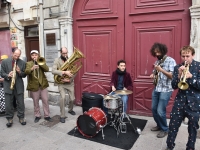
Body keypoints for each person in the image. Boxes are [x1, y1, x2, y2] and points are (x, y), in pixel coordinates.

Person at [166, 46, 200, 150]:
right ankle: (169, 146)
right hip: (179, 101)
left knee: (193, 128)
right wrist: (179, 75)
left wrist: (191, 77)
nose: (185, 59)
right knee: (172, 126)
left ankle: (190, 147)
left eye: (188, 56)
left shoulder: (199, 66)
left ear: (193, 55)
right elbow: (174, 86)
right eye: (183, 56)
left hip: (194, 103)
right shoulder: (177, 67)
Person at [149, 43, 176, 138]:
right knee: (153, 109)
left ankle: (165, 129)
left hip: (166, 89)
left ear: (163, 50)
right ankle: (159, 125)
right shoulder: (157, 62)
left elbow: (173, 76)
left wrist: (161, 70)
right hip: (157, 88)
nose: (157, 54)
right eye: (155, 52)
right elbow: (155, 73)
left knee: (160, 111)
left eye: (158, 52)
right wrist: (153, 75)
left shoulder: (170, 61)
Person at [0, 48, 27, 127]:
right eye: (15, 55)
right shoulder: (4, 62)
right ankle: (9, 118)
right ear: (12, 53)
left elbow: (24, 75)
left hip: (18, 86)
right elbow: (2, 73)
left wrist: (19, 72)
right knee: (8, 104)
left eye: (18, 56)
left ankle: (21, 117)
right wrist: (8, 75)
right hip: (8, 85)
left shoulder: (22, 63)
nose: (16, 57)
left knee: (21, 103)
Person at [25, 50, 52, 123]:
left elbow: (47, 69)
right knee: (35, 101)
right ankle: (37, 115)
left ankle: (47, 115)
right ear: (31, 56)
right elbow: (26, 72)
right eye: (33, 55)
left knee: (45, 100)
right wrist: (32, 68)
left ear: (38, 56)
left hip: (43, 85)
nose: (34, 56)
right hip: (34, 85)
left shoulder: (41, 61)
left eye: (36, 55)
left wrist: (40, 64)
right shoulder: (28, 63)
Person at [52, 47, 76, 123]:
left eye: (66, 53)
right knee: (62, 98)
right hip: (61, 82)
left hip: (69, 82)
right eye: (64, 53)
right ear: (61, 53)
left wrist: (69, 79)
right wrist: (64, 72)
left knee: (72, 99)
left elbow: (75, 71)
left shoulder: (70, 60)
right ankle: (62, 115)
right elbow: (53, 71)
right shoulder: (57, 60)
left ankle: (70, 109)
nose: (65, 55)